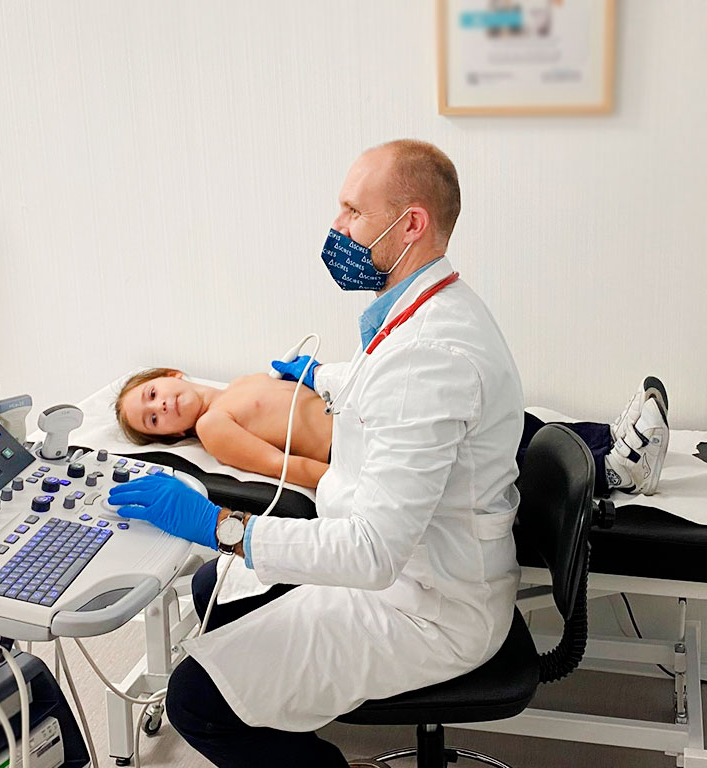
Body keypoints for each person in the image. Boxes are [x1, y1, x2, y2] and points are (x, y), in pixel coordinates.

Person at [103, 140, 635, 767]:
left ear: (411, 224)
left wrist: (220, 525)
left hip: (426, 608)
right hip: (420, 568)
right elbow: (388, 387)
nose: (337, 227)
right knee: (212, 591)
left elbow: (372, 553)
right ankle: (282, 707)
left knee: (194, 699)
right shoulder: (428, 309)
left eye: (353, 212)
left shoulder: (430, 356)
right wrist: (325, 377)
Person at [115, 367, 670, 495]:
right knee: (482, 452)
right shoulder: (213, 426)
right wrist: (354, 485)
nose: (162, 406)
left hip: (368, 412)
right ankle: (612, 472)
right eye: (153, 419)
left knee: (493, 419)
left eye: (152, 394)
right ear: (169, 437)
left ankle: (606, 439)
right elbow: (283, 469)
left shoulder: (244, 381)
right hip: (359, 448)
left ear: (170, 375)